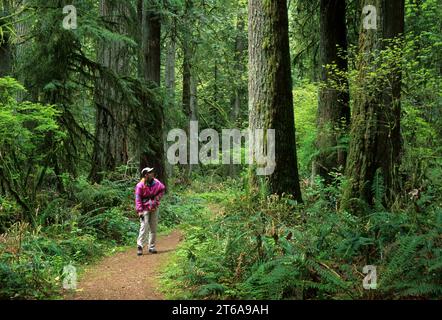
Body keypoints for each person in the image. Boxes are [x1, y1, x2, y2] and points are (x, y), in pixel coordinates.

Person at [135, 167, 166, 256]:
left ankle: (151, 247)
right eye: (150, 172)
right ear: (146, 175)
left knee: (153, 227)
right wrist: (139, 210)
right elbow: (138, 199)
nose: (152, 173)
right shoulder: (140, 185)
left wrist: (157, 198)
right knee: (144, 226)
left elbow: (162, 189)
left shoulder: (156, 183)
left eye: (152, 172)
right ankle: (140, 246)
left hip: (154, 207)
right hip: (144, 208)